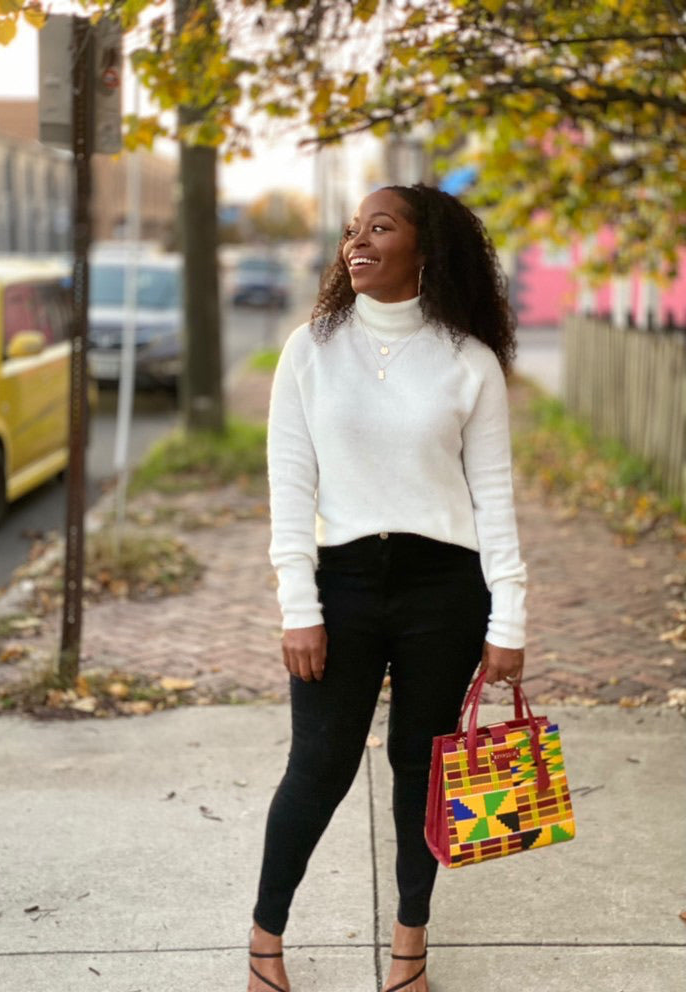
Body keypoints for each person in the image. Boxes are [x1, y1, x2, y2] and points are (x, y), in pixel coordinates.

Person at [248, 183, 526, 992]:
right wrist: (298, 606)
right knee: (320, 766)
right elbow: (290, 487)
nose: (358, 242)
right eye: (350, 231)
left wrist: (509, 617)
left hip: (445, 587)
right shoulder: (311, 348)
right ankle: (266, 942)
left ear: (425, 248)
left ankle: (411, 951)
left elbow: (496, 500)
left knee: (424, 769)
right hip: (341, 583)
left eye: (381, 226)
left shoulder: (469, 363)